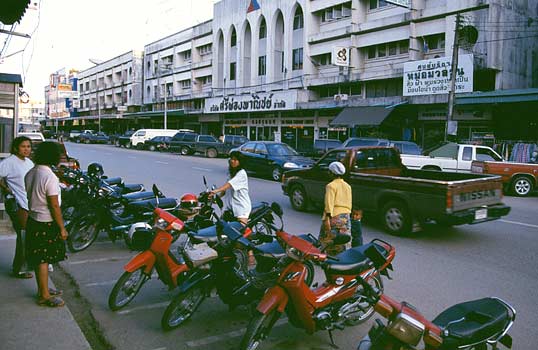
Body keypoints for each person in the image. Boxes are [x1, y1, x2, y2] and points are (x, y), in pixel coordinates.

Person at [25, 142, 68, 307]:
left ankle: (43, 289)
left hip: (33, 219)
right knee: (43, 259)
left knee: (39, 258)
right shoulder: (49, 176)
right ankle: (44, 295)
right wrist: (62, 227)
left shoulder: (31, 172)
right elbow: (54, 205)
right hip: (46, 221)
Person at [0, 136, 35, 278]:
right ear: (16, 148)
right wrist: (7, 189)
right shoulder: (9, 162)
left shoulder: (29, 162)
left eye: (28, 146)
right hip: (18, 204)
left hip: (29, 203)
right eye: (23, 146)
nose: (26, 149)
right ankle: (19, 268)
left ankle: (23, 265)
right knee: (23, 235)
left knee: (27, 235)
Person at [319, 161, 352, 255]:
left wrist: (327, 219)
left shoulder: (331, 186)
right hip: (346, 216)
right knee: (344, 238)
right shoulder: (347, 186)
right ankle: (344, 257)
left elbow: (329, 204)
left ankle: (322, 257)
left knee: (326, 237)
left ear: (331, 173)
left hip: (334, 215)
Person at [210, 151, 251, 225]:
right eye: (232, 159)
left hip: (241, 208)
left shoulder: (241, 173)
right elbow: (225, 188)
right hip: (230, 207)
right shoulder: (232, 173)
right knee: (221, 226)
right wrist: (217, 197)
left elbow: (229, 185)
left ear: (240, 162)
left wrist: (216, 191)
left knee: (240, 231)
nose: (232, 161)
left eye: (235, 160)